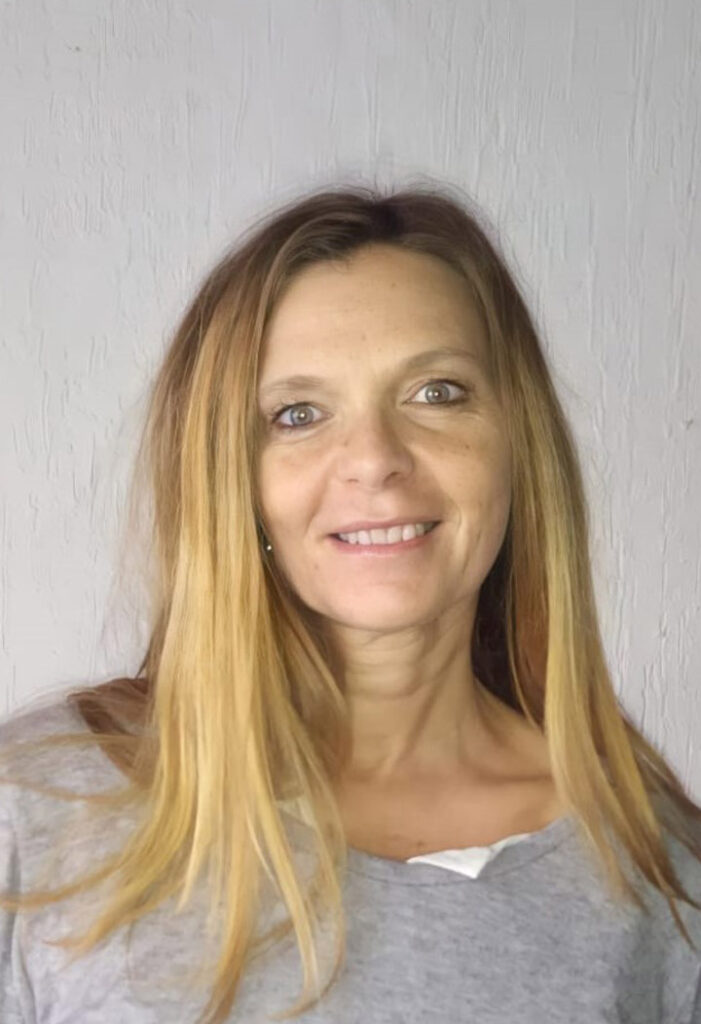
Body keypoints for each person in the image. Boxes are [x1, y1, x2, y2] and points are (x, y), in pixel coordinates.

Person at [1, 182, 700, 1024]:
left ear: (518, 442)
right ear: (230, 476)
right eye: (297, 414)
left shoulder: (658, 873)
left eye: (436, 392)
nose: (373, 459)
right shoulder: (40, 814)